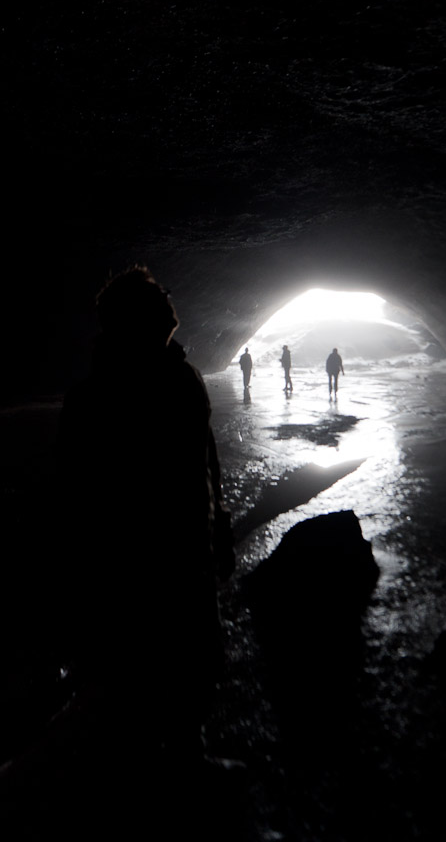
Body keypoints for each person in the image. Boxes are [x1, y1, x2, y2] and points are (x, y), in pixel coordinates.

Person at [55, 265, 235, 763]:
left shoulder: (184, 379)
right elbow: (75, 501)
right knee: (139, 681)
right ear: (137, 320)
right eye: (159, 302)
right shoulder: (93, 401)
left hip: (188, 556)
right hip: (132, 570)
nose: (172, 310)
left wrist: (217, 523)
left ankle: (185, 757)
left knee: (196, 668)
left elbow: (207, 458)